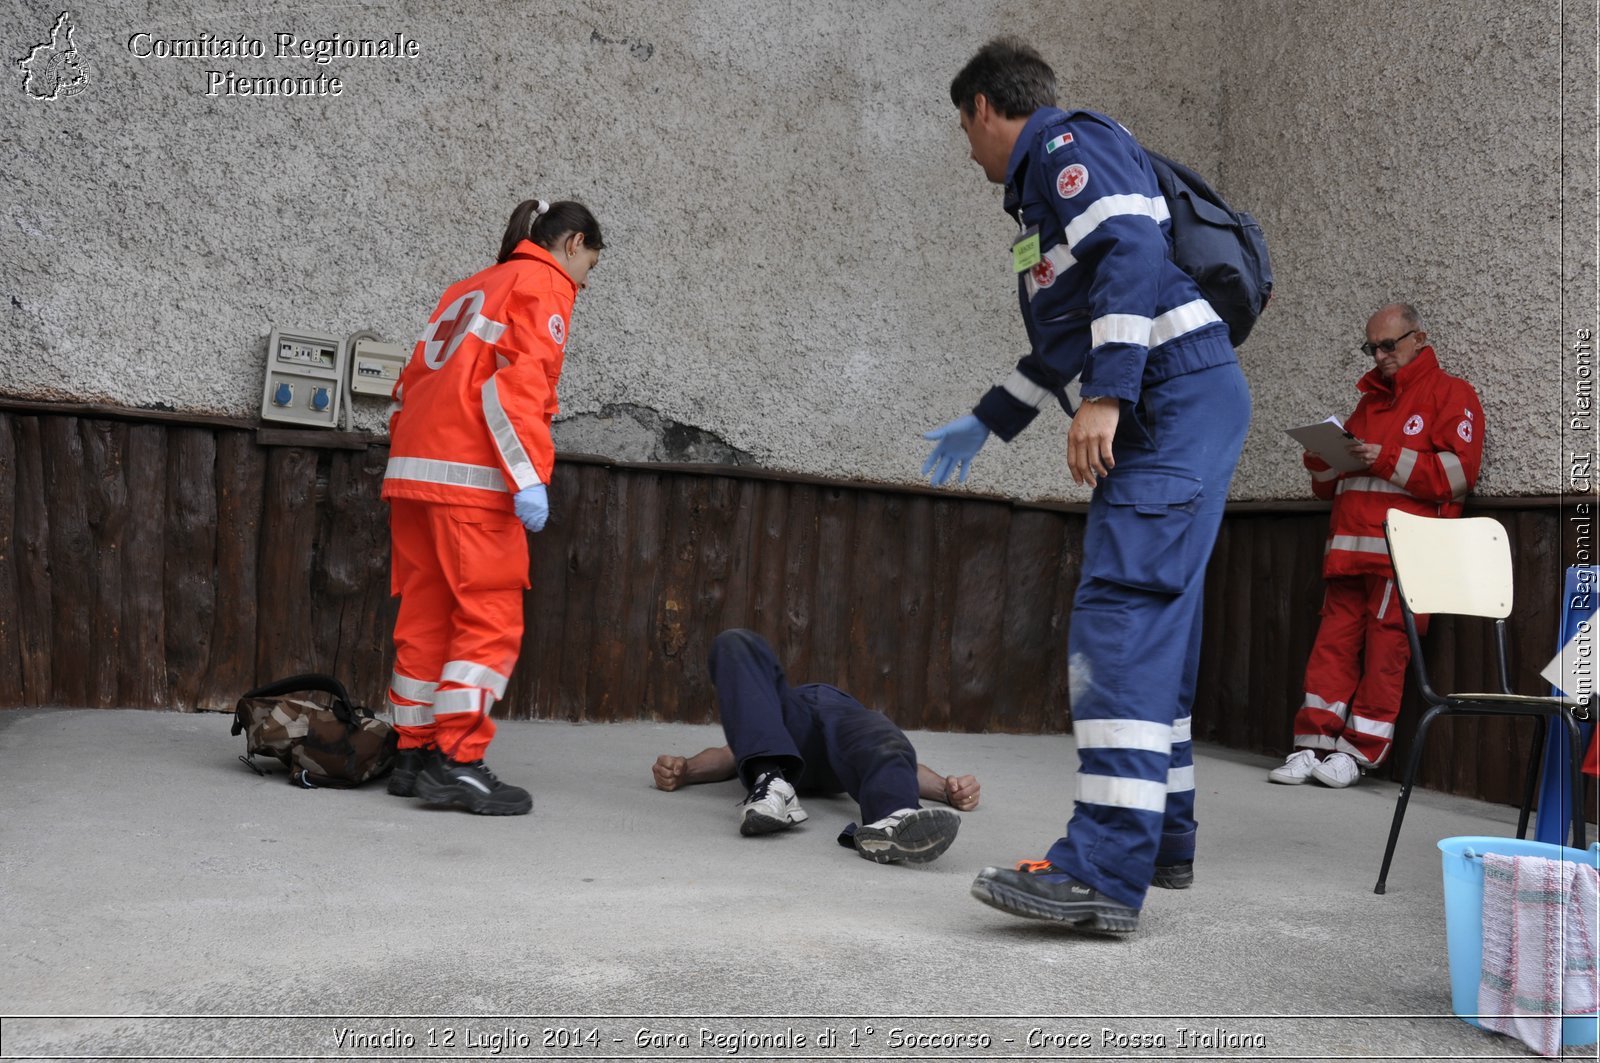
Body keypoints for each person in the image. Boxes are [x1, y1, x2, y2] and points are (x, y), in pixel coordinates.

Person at [922, 39, 1251, 933]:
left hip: (1168, 395)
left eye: (964, 128)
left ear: (988, 107)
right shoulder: (1041, 193)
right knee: (1161, 626)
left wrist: (1107, 394)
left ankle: (1102, 870)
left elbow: (1133, 253)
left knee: (1123, 614)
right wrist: (991, 418)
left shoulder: (1066, 147)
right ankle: (1164, 838)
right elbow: (1065, 337)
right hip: (1185, 395)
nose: (968, 149)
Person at [380, 198, 604, 815]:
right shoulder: (543, 284)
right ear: (572, 243)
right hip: (471, 482)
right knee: (489, 619)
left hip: (414, 475)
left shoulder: (473, 285)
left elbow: (411, 383)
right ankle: (459, 763)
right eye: (591, 263)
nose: (586, 277)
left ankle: (414, 755)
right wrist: (528, 478)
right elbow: (518, 389)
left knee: (425, 616)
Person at [1270, 304, 1484, 788]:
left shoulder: (1452, 394)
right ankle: (1312, 747)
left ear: (1419, 338)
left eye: (1390, 344)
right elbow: (1329, 488)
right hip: (1348, 553)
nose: (1380, 355)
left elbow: (1456, 477)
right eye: (1373, 347)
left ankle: (1357, 754)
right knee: (1331, 650)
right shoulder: (1368, 403)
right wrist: (1322, 460)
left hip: (1400, 556)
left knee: (1386, 657)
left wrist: (1383, 456)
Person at [651, 629, 981, 863]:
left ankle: (895, 819)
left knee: (876, 729)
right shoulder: (774, 724)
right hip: (790, 732)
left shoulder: (857, 726)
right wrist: (687, 769)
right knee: (733, 642)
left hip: (846, 720)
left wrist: (945, 789)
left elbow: (893, 759)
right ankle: (771, 784)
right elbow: (731, 752)